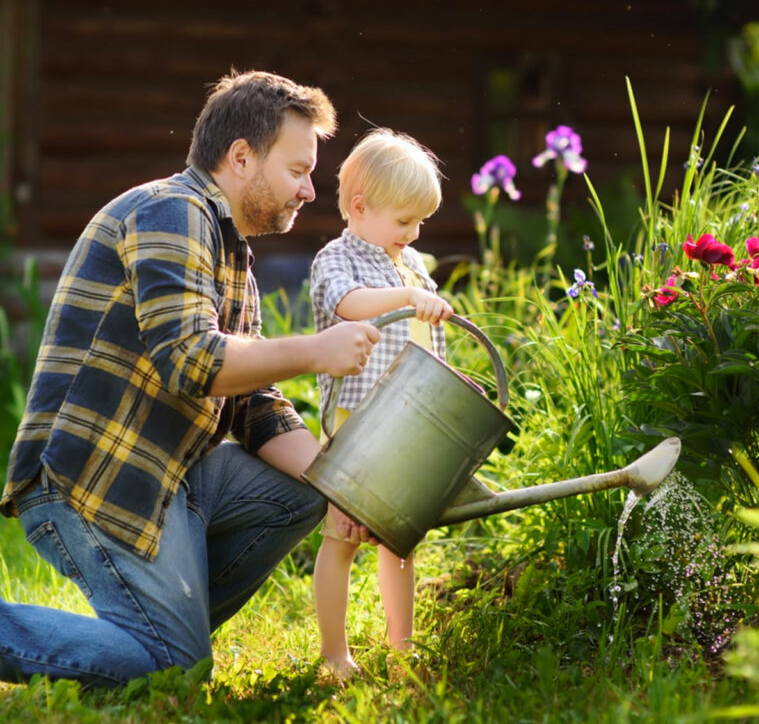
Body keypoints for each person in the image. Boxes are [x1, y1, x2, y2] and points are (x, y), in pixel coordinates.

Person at [0, 70, 382, 688]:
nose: (310, 191)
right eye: (297, 170)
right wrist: (315, 351)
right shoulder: (171, 212)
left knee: (305, 490)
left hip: (168, 473)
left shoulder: (233, 255)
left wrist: (343, 490)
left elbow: (253, 402)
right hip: (91, 476)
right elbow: (191, 359)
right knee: (176, 670)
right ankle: (161, 650)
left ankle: (152, 639)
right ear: (240, 157)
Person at [309, 128, 454, 676]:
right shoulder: (336, 259)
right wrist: (411, 297)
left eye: (420, 223)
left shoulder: (410, 263)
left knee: (400, 542)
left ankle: (401, 646)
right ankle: (334, 654)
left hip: (408, 425)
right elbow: (348, 306)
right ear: (361, 207)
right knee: (342, 538)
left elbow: (423, 341)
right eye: (404, 221)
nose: (413, 233)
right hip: (356, 426)